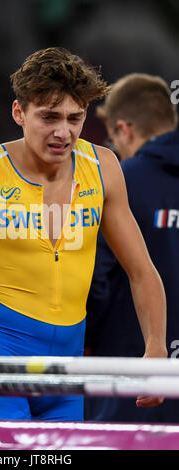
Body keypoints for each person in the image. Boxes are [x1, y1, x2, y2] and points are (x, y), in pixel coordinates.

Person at [0, 48, 167, 421]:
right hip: (0, 358)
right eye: (49, 117)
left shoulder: (103, 168)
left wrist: (155, 348)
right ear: (19, 113)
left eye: (74, 118)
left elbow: (142, 271)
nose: (63, 132)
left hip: (67, 371)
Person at [84, 73, 179, 423]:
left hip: (130, 381)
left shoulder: (121, 182)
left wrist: (84, 338)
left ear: (124, 130)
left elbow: (95, 278)